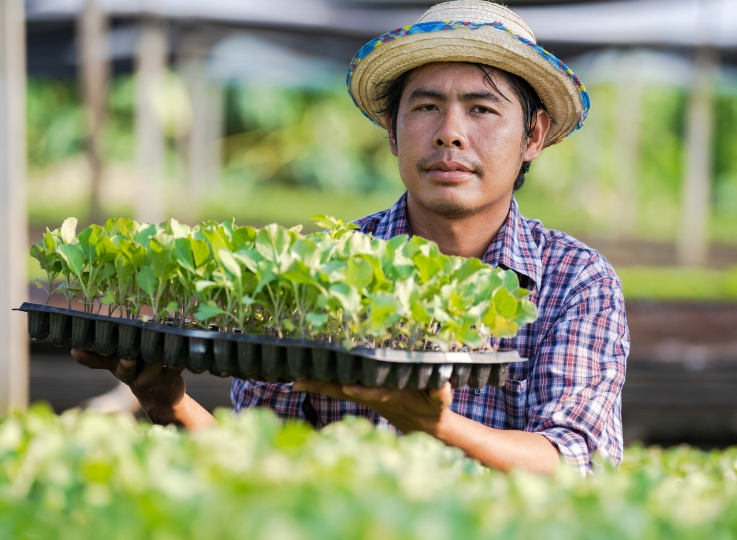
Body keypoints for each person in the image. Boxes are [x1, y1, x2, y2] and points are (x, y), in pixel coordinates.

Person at [73, 0, 627, 476]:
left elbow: (576, 461)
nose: (450, 132)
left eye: (482, 109)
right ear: (392, 131)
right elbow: (259, 466)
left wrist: (433, 424)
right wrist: (166, 402)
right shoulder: (310, 270)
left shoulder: (576, 281)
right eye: (427, 106)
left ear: (532, 135)